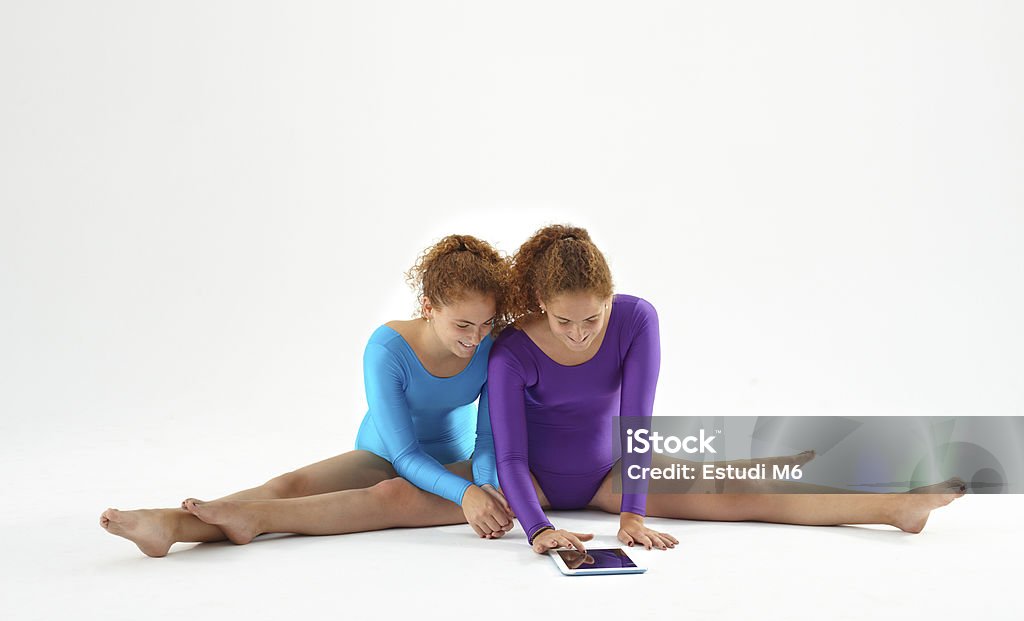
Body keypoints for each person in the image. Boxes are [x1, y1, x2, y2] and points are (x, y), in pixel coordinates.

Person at [486, 225, 967, 555]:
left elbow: (636, 425)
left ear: (610, 296)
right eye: (563, 320)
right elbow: (508, 458)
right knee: (412, 502)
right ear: (541, 303)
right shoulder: (512, 351)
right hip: (529, 482)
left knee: (746, 490)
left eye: (592, 317)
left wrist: (632, 514)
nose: (579, 332)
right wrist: (538, 529)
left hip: (609, 472)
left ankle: (897, 509)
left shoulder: (635, 320)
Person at [100, 235, 516, 556]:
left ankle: (225, 523)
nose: (475, 337)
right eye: (463, 325)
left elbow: (488, 441)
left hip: (449, 459)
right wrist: (465, 495)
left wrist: (483, 486)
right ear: (428, 307)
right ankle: (168, 526)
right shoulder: (387, 349)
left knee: (382, 498)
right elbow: (404, 457)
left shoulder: (491, 347)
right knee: (289, 484)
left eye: (485, 324)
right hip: (384, 453)